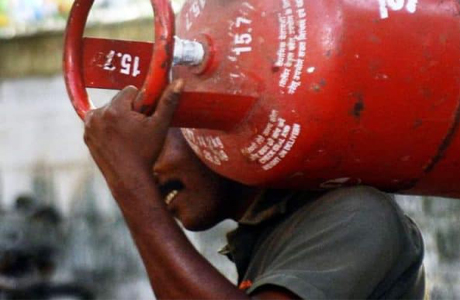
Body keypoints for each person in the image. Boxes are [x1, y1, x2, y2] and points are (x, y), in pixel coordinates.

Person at [82, 80, 426, 299]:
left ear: (210, 126)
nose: (147, 174)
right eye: (135, 159)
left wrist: (131, 184)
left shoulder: (355, 215)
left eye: (151, 149)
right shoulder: (267, 237)